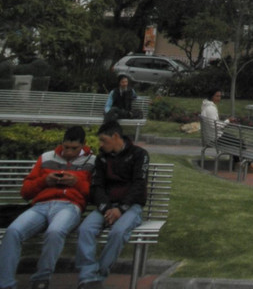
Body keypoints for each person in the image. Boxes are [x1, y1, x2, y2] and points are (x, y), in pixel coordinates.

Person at [0, 126, 95, 289]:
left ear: (83, 145)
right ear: (61, 143)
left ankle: (41, 279)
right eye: (66, 147)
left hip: (69, 206)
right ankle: (6, 283)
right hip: (40, 206)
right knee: (13, 231)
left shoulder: (92, 161)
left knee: (55, 231)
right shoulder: (46, 158)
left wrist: (77, 183)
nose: (69, 152)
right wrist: (44, 181)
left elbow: (94, 194)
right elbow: (25, 192)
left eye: (74, 149)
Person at [75, 119, 149, 288]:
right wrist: (107, 208)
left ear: (116, 136)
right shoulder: (101, 158)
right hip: (107, 206)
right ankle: (87, 276)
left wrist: (121, 209)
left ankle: (99, 276)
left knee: (118, 232)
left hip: (130, 207)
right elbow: (97, 186)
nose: (101, 144)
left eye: (103, 140)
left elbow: (139, 185)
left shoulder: (139, 155)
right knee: (85, 229)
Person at [200, 89, 253, 173]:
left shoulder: (207, 106)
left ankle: (239, 163)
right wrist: (228, 120)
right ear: (211, 96)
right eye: (217, 96)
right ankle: (247, 165)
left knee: (236, 141)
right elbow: (215, 126)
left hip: (213, 135)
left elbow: (214, 124)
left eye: (220, 96)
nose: (219, 98)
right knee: (239, 142)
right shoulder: (210, 108)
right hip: (215, 137)